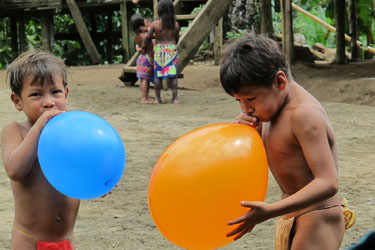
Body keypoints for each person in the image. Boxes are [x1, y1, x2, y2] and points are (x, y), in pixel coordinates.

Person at [219, 34, 355, 250]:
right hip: (290, 216)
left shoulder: (303, 115)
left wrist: (271, 209)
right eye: (239, 101)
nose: (245, 109)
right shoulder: (270, 111)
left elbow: (328, 182)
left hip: (317, 218)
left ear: (280, 82)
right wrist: (248, 133)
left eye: (250, 99)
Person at [1, 51, 105, 250]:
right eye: (36, 94)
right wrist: (39, 128)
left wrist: (99, 182)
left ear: (65, 94)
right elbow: (15, 170)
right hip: (28, 241)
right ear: (17, 101)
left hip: (66, 239)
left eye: (55, 92)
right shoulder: (15, 130)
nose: (48, 102)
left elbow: (81, 174)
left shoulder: (73, 133)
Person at [141, 0, 180, 104]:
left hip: (159, 50)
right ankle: (175, 98)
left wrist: (143, 47)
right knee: (173, 76)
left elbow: (148, 38)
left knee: (158, 75)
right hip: (171, 49)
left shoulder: (155, 24)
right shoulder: (175, 24)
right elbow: (177, 38)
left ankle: (158, 98)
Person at [131, 13, 156, 104]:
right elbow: (155, 35)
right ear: (141, 26)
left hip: (140, 58)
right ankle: (145, 99)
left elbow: (138, 45)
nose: (146, 21)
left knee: (142, 79)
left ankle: (144, 96)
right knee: (145, 80)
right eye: (145, 20)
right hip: (147, 59)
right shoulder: (146, 36)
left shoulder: (136, 35)